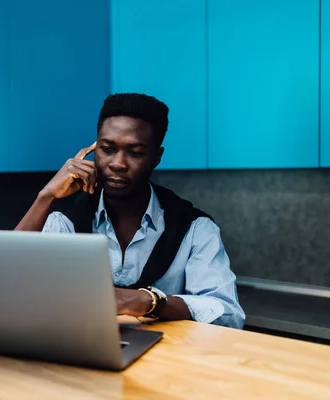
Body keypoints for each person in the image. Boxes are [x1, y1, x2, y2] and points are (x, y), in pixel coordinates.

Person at [15, 93, 245, 329]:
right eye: (107, 148)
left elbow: (227, 315)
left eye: (134, 152)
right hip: (80, 353)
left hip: (169, 361)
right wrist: (46, 197)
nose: (118, 163)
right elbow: (8, 289)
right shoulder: (66, 222)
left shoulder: (195, 228)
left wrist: (147, 301)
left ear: (156, 157)